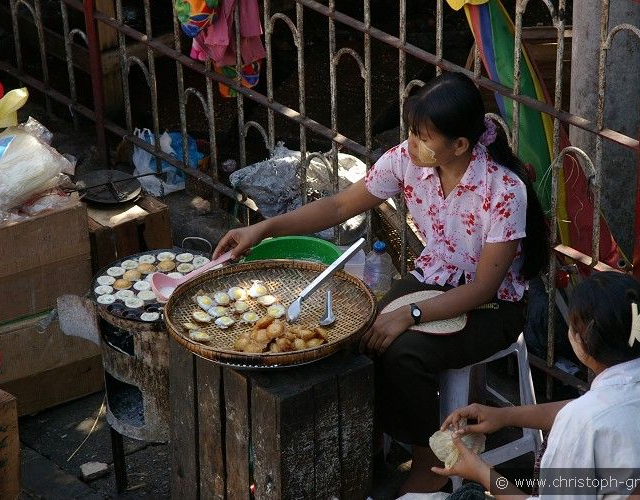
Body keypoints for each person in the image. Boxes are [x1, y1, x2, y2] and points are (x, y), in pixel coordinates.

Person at [213, 72, 549, 494]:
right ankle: (366, 449)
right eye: (411, 132)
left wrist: (408, 315)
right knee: (358, 334)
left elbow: (481, 290)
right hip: (435, 276)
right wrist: (264, 229)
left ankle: (428, 462)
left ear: (460, 145)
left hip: (493, 305)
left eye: (423, 137)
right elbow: (338, 205)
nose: (411, 144)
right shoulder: (407, 160)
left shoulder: (503, 191)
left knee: (403, 352)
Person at [432, 271, 640, 499]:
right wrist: (505, 416)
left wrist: (482, 473)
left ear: (581, 340)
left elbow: (588, 416)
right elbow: (597, 409)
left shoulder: (583, 422)